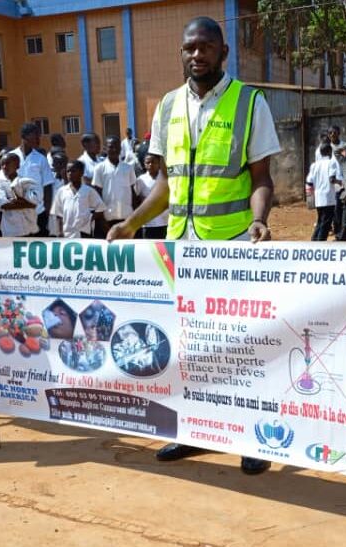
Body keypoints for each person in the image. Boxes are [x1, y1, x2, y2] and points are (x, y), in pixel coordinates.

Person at [106, 16, 280, 476]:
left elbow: (261, 179)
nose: (196, 54)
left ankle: (252, 436)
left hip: (233, 247)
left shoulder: (250, 103)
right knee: (188, 347)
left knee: (242, 346)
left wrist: (260, 220)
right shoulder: (166, 106)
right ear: (181, 53)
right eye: (189, 48)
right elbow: (166, 184)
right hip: (180, 249)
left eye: (206, 47)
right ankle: (194, 433)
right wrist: (130, 223)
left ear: (223, 53)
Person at [91, 135, 138, 239]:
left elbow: (132, 193)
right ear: (105, 149)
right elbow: (97, 197)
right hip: (106, 221)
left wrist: (135, 219)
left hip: (126, 220)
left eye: (117, 146)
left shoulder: (128, 168)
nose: (114, 149)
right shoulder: (99, 169)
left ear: (121, 149)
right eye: (111, 147)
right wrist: (102, 221)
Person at [12, 123, 53, 236]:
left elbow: (47, 186)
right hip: (17, 213)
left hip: (38, 213)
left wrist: (47, 211)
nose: (38, 139)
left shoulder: (40, 159)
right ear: (25, 136)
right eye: (35, 135)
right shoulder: (11, 157)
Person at [50, 160, 105, 238]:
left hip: (84, 232)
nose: (70, 174)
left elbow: (100, 208)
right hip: (67, 233)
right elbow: (58, 214)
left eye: (73, 171)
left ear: (81, 173)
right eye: (68, 171)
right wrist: (60, 231)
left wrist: (89, 218)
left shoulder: (88, 191)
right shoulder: (61, 191)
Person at [0, 152, 40, 237]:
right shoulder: (0, 184)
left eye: (7, 163)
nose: (4, 167)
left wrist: (14, 201)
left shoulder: (26, 182)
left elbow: (34, 204)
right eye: (2, 165)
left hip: (28, 229)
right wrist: (25, 202)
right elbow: (4, 205)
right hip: (10, 231)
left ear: (17, 165)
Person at [306, 143, 342, 241]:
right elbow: (332, 179)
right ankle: (320, 242)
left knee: (320, 220)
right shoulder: (331, 163)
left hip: (318, 197)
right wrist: (341, 182)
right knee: (326, 222)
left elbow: (309, 181)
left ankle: (314, 240)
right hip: (329, 196)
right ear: (330, 151)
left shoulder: (314, 165)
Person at [134, 154, 168, 239]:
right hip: (147, 223)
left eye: (153, 162)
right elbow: (136, 198)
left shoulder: (165, 178)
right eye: (148, 162)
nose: (151, 165)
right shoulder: (141, 180)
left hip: (164, 221)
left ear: (159, 163)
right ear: (144, 164)